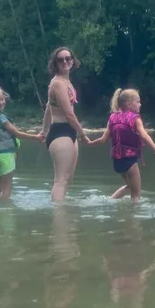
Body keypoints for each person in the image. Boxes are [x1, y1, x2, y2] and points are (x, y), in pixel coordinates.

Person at [88, 88, 155, 202]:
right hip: (130, 160)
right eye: (138, 101)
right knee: (136, 195)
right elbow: (144, 135)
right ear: (129, 104)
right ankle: (133, 218)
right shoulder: (135, 118)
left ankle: (110, 201)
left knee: (129, 186)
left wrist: (89, 143)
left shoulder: (112, 118)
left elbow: (103, 140)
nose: (140, 104)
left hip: (117, 162)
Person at [42, 46, 89, 202]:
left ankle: (62, 212)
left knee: (68, 178)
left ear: (73, 60)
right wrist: (82, 134)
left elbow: (48, 108)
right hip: (60, 131)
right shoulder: (57, 84)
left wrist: (43, 131)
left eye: (68, 58)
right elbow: (69, 114)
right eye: (60, 59)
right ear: (54, 63)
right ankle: (58, 217)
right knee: (61, 180)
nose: (65, 61)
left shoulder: (66, 81)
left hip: (68, 132)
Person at [0, 85, 43, 200]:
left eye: (2, 99)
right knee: (7, 188)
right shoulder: (1, 118)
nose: (0, 103)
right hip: (6, 156)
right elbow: (17, 134)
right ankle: (4, 213)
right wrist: (36, 137)